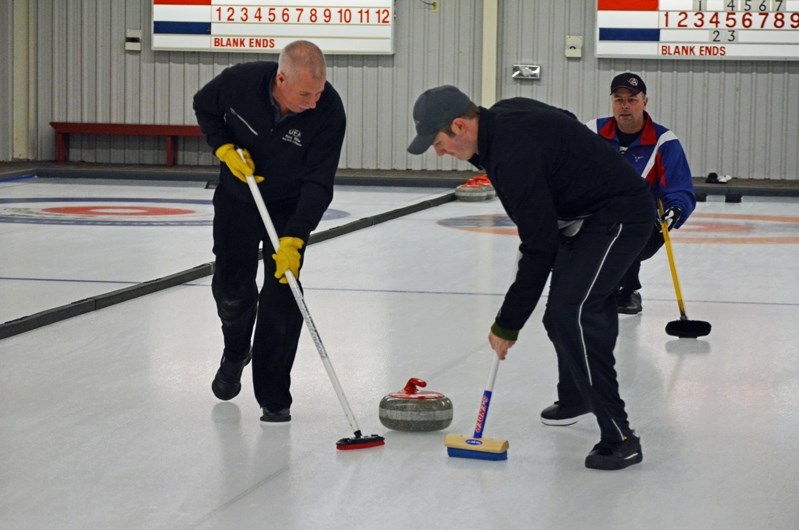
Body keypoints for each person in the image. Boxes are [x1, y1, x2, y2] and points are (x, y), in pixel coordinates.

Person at [408, 85, 653, 470]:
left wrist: (507, 324)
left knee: (574, 311)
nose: (439, 153)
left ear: (459, 125)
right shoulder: (503, 117)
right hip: (583, 217)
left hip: (619, 214)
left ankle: (620, 436)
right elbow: (565, 121)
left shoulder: (509, 155)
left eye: (438, 142)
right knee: (560, 315)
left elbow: (540, 248)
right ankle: (578, 397)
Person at [193, 40, 346, 423]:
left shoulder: (328, 111)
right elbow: (204, 106)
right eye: (304, 94)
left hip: (289, 208)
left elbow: (319, 183)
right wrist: (224, 147)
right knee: (232, 290)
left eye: (319, 91)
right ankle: (235, 350)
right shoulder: (238, 83)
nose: (312, 102)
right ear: (281, 79)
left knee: (283, 291)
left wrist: (296, 236)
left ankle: (274, 395)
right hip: (238, 199)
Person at [586, 72, 696, 315]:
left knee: (627, 225)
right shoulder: (591, 131)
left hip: (641, 223)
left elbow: (679, 187)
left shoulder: (664, 141)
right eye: (618, 99)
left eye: (632, 99)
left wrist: (675, 210)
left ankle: (627, 290)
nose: (625, 106)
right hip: (596, 214)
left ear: (644, 102)